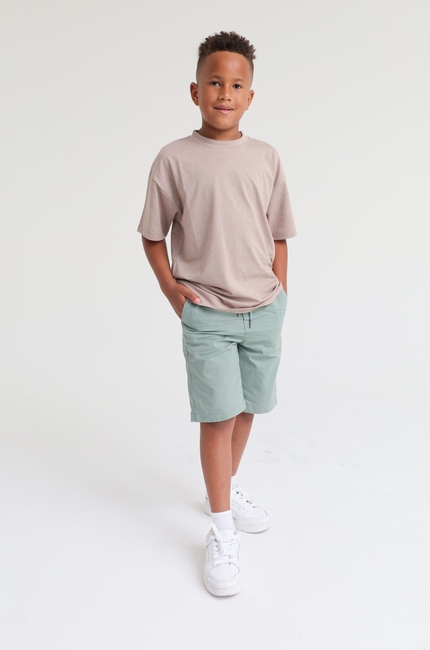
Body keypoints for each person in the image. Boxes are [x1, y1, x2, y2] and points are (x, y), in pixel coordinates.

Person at [138, 31, 297, 597]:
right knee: (218, 416)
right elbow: (152, 235)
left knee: (249, 406)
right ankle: (222, 529)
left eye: (235, 85)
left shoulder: (266, 157)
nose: (224, 94)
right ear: (195, 91)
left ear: (250, 97)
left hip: (263, 310)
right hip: (206, 312)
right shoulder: (174, 159)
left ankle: (220, 490)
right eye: (214, 82)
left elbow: (279, 233)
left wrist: (281, 293)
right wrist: (172, 292)